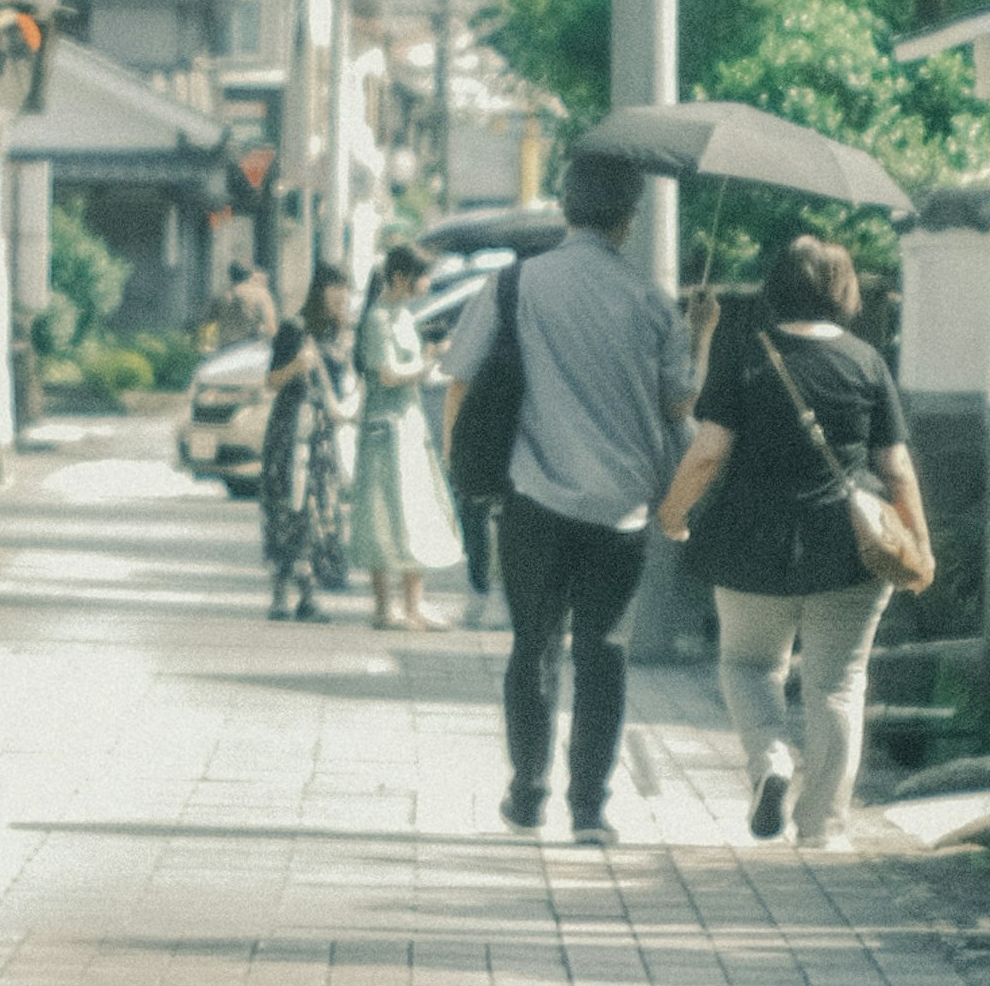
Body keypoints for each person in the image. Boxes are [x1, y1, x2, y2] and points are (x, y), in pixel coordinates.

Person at [442, 150, 701, 843]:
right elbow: (680, 408)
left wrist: (461, 472)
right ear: (631, 217)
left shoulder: (514, 284)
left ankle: (527, 792)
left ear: (565, 206)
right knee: (602, 650)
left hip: (534, 500)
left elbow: (461, 384)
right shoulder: (652, 303)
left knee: (533, 644)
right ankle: (590, 809)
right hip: (623, 509)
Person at [661, 232, 927, 851]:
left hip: (751, 541)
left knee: (747, 665)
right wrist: (922, 545)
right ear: (844, 290)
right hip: (849, 544)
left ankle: (770, 763)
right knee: (838, 683)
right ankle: (823, 829)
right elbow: (897, 468)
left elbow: (708, 452)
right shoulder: (867, 361)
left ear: (774, 287)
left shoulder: (745, 354)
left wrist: (673, 514)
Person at [348, 245, 459, 628]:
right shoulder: (378, 319)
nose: (427, 282)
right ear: (400, 277)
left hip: (408, 425)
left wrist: (428, 361)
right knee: (384, 516)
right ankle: (385, 607)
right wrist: (428, 362)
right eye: (422, 274)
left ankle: (414, 605)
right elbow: (387, 374)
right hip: (385, 429)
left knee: (418, 511)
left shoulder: (403, 317)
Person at [258, 278, 356, 620]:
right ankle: (281, 594)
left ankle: (309, 594)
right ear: (319, 293)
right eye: (336, 290)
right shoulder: (294, 330)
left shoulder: (340, 336)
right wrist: (296, 367)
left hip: (322, 434)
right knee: (287, 508)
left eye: (346, 292)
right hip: (291, 429)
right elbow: (271, 381)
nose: (342, 298)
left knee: (318, 511)